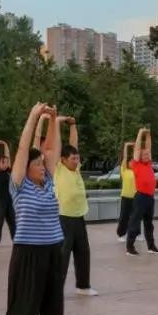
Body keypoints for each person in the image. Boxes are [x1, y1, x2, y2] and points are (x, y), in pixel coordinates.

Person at [2, 103, 76, 315]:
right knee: (24, 304)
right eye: (37, 163)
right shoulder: (19, 185)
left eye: (42, 163)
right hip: (28, 252)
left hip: (53, 249)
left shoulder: (49, 184)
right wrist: (34, 117)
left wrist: (53, 119)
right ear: (26, 168)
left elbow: (53, 151)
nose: (42, 166)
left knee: (53, 302)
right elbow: (23, 150)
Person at [54, 116, 97, 296]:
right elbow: (56, 145)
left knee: (83, 252)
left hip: (79, 217)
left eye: (77, 158)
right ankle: (55, 289)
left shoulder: (76, 169)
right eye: (73, 158)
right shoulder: (58, 168)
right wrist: (56, 123)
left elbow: (74, 143)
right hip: (64, 218)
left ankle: (83, 286)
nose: (76, 161)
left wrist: (73, 125)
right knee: (62, 256)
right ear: (63, 159)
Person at [126, 127, 158, 256]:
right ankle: (130, 247)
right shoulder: (136, 164)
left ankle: (151, 246)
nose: (148, 155)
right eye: (145, 154)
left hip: (150, 198)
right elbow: (137, 148)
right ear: (139, 156)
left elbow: (148, 147)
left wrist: (149, 135)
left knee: (149, 224)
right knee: (135, 222)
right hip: (140, 197)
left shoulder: (148, 164)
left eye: (148, 154)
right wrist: (140, 133)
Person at [115, 142, 136, 242]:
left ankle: (136, 233)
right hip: (126, 197)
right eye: (130, 161)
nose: (132, 162)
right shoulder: (124, 170)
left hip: (136, 197)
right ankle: (121, 234)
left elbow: (137, 157)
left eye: (133, 161)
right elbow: (125, 156)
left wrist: (136, 147)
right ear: (127, 163)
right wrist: (127, 146)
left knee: (136, 216)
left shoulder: (137, 171)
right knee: (124, 216)